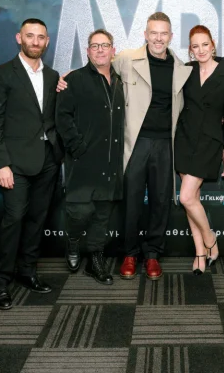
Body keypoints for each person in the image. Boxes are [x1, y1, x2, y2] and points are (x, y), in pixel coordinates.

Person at [57, 12, 192, 281]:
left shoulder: (180, 67)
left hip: (166, 143)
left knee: (160, 201)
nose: (158, 38)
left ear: (170, 36)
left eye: (163, 33)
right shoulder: (127, 58)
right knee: (131, 201)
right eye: (153, 33)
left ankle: (152, 254)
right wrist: (68, 75)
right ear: (145, 34)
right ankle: (130, 253)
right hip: (135, 142)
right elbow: (98, 63)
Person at [0, 18, 63, 310]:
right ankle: (1, 281)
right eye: (30, 36)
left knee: (37, 220)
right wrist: (1, 164)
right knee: (14, 219)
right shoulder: (1, 74)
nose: (35, 41)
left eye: (41, 37)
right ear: (19, 38)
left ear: (47, 41)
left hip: (47, 161)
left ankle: (28, 272)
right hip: (14, 164)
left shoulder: (53, 76)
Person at [56, 29, 125, 285]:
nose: (100, 50)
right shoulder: (73, 80)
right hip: (82, 162)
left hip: (111, 163)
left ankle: (96, 261)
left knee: (102, 217)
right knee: (79, 212)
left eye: (105, 45)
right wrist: (78, 148)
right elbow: (62, 117)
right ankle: (73, 241)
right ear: (87, 51)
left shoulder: (120, 81)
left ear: (113, 50)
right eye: (95, 46)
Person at [174, 25, 224, 274]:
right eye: (195, 46)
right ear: (190, 49)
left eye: (205, 44)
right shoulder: (186, 71)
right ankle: (200, 254)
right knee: (193, 199)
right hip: (183, 140)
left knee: (186, 197)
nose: (200, 50)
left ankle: (211, 239)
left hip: (209, 143)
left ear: (213, 45)